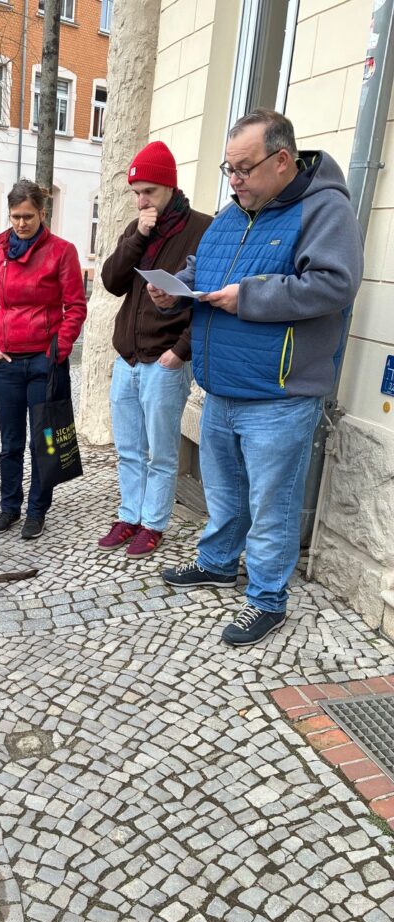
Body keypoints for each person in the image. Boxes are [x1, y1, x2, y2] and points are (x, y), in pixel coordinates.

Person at [150, 109, 364, 647]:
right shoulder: (235, 210)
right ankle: (219, 562)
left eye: (243, 168)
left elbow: (334, 285)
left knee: (272, 504)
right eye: (229, 169)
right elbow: (203, 266)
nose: (235, 179)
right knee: (225, 492)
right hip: (221, 386)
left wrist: (250, 297)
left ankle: (267, 598)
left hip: (280, 393)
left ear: (282, 160)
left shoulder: (324, 209)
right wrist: (173, 286)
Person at [99, 141, 211, 558]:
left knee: (161, 452)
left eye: (150, 191)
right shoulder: (137, 229)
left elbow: (204, 298)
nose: (142, 200)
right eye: (137, 193)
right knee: (128, 448)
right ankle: (129, 515)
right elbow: (111, 281)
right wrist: (139, 235)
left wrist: (180, 352)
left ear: (170, 188)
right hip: (127, 358)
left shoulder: (202, 228)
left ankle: (153, 524)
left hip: (165, 361)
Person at [0, 180, 87, 540]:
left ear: (42, 213)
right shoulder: (0, 254)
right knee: (10, 442)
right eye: (15, 217)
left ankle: (37, 510)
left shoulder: (62, 252)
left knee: (44, 441)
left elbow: (75, 307)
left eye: (28, 216)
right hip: (7, 365)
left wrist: (59, 349)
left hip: (45, 364)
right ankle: (9, 507)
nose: (21, 224)